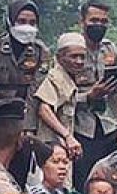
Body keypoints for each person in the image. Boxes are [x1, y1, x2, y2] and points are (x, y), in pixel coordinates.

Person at [73, 0, 117, 189]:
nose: (99, 25)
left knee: (113, 177)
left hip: (107, 124)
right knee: (84, 180)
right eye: (94, 20)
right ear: (82, 22)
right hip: (80, 127)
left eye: (103, 21)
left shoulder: (109, 48)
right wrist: (89, 96)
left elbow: (116, 90)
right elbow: (60, 97)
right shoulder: (72, 49)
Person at [0, 0, 52, 131]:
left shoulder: (41, 52)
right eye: (21, 21)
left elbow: (35, 94)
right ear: (10, 21)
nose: (26, 27)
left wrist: (26, 128)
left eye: (32, 23)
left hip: (26, 116)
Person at [33, 32, 87, 161]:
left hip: (63, 148)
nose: (79, 61)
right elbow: (44, 109)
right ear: (60, 57)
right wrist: (67, 136)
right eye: (73, 56)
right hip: (50, 149)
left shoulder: (69, 79)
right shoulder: (56, 78)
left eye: (82, 57)